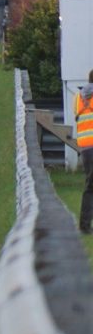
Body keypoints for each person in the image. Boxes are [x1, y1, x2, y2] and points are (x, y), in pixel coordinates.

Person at [77, 69, 93, 234]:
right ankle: (85, 225)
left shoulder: (78, 97)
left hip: (86, 147)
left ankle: (85, 224)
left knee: (90, 186)